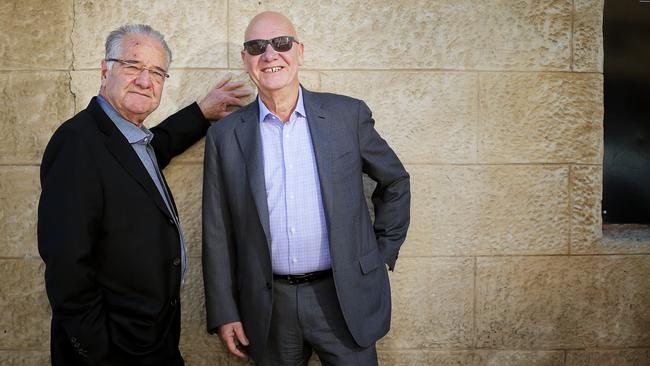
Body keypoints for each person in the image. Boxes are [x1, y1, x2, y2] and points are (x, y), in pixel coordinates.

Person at [202, 11, 410, 365]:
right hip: (269, 309)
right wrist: (224, 310)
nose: (270, 55)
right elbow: (217, 231)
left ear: (299, 51)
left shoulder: (347, 116)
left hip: (343, 299)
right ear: (245, 59)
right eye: (256, 47)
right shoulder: (225, 136)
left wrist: (379, 255)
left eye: (281, 43)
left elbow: (395, 181)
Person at [38, 24, 250, 365]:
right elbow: (67, 268)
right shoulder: (77, 142)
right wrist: (95, 351)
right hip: (114, 351)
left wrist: (201, 113)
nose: (144, 79)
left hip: (153, 340)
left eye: (156, 72)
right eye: (133, 66)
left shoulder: (130, 140)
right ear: (105, 70)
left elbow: (151, 152)